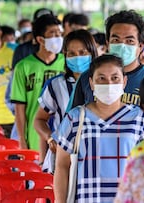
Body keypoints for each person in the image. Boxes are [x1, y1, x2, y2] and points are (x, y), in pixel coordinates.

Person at [54, 55, 144, 202]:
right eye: (101, 78)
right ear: (91, 83)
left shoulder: (140, 119)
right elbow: (62, 166)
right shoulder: (75, 118)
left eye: (115, 78)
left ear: (124, 82)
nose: (109, 84)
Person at [34, 29, 98, 173]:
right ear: (65, 56)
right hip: (62, 156)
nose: (77, 57)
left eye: (83, 53)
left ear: (92, 53)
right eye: (72, 54)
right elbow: (39, 120)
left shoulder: (103, 83)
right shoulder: (55, 85)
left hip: (94, 155)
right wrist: (50, 138)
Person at [69, 10, 144, 109]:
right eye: (116, 40)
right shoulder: (87, 77)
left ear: (141, 46)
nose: (122, 46)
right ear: (108, 44)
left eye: (129, 41)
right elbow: (72, 118)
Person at [11, 14, 65, 152]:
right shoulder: (23, 67)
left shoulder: (66, 63)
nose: (58, 37)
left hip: (63, 136)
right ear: (40, 39)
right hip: (34, 137)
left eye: (60, 33)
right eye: (53, 34)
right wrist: (22, 140)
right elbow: (19, 107)